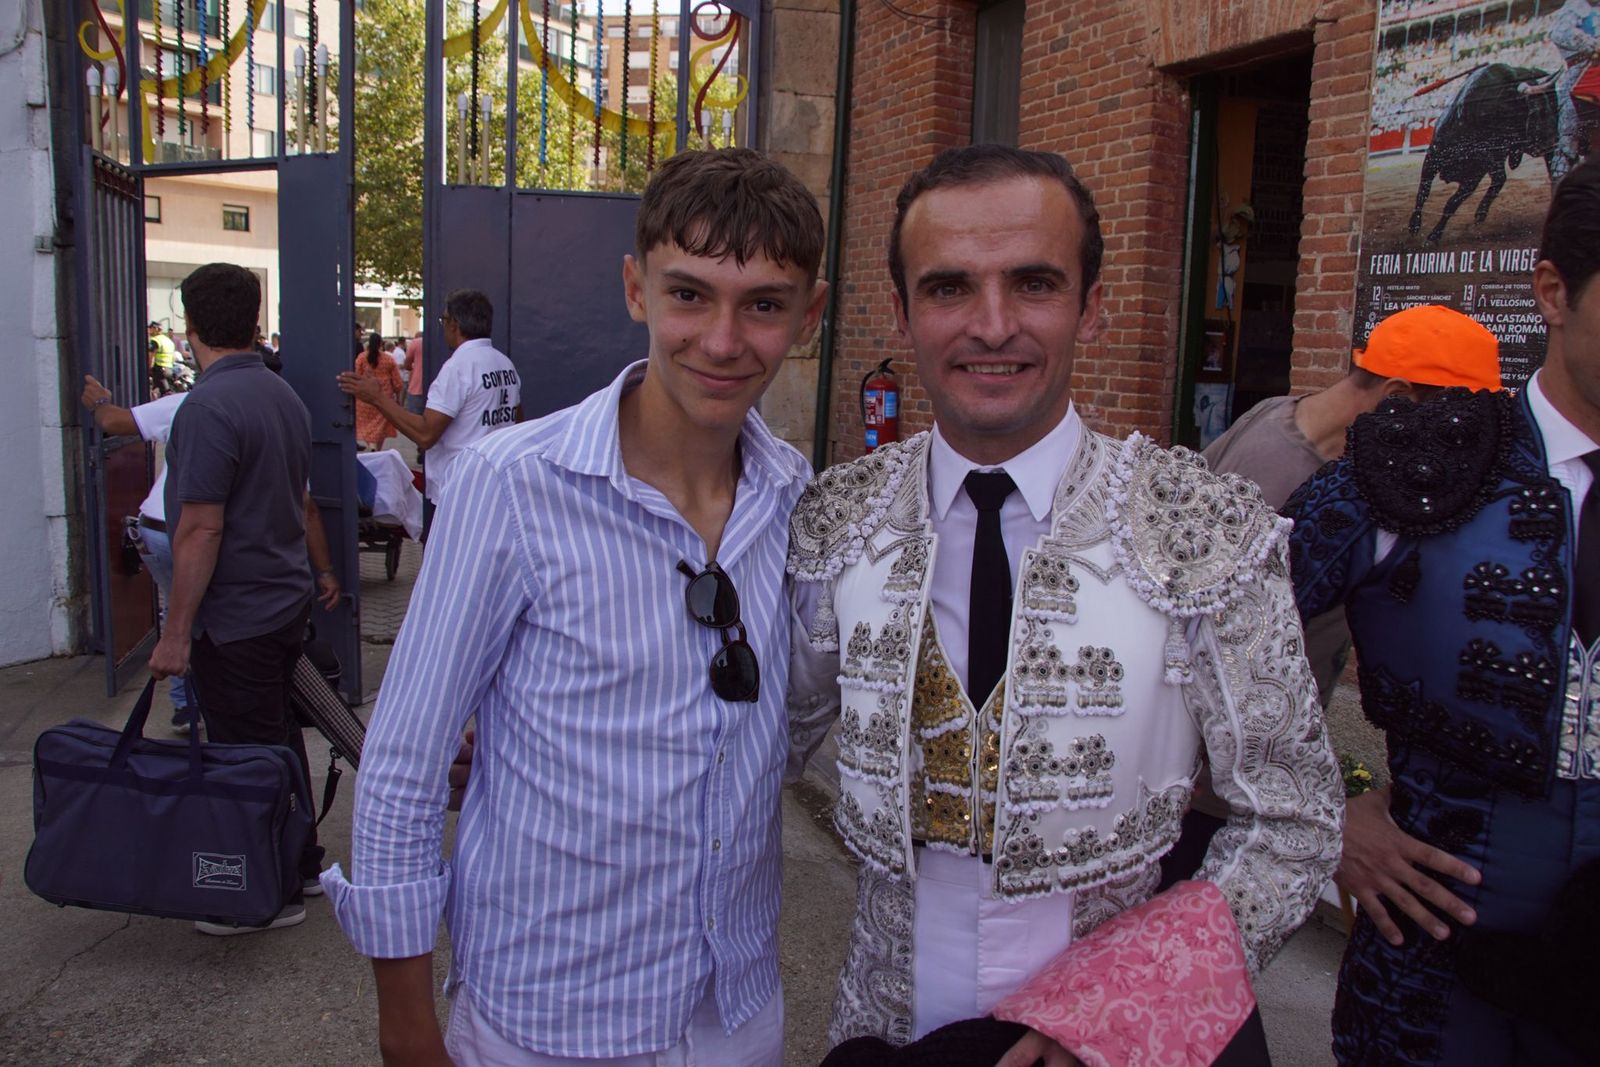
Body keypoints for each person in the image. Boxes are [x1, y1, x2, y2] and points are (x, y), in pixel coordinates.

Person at [784, 144, 1343, 1065]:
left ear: (1092, 304)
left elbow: (1292, 818)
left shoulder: (1196, 524)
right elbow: (749, 741)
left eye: (1034, 283)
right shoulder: (838, 517)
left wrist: (1121, 1008)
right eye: (950, 287)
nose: (992, 325)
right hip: (890, 1024)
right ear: (902, 311)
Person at [322, 148, 829, 1066]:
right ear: (636, 289)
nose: (722, 339)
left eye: (763, 303)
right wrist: (407, 1031)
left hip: (737, 1009)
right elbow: (401, 767)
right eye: (690, 294)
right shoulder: (512, 487)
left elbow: (787, 728)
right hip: (550, 1019)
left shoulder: (797, 498)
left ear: (809, 317)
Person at [1287, 158, 1600, 1067]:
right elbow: (1194, 658)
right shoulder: (1414, 467)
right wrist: (1323, 813)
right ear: (1552, 291)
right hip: (1433, 1003)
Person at [148, 262, 341, 936]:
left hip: (237, 616)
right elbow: (298, 499)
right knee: (278, 739)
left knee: (243, 751)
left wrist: (175, 633)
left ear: (191, 326)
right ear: (254, 320)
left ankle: (267, 888)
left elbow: (201, 523)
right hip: (280, 601)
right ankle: (303, 861)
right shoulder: (280, 395)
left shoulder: (207, 405)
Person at [79, 382, 196, 732]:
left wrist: (100, 402)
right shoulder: (265, 410)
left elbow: (114, 422)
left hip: (157, 527)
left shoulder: (186, 402)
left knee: (178, 607)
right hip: (192, 528)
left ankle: (186, 702)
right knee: (200, 612)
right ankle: (195, 698)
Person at [338, 291, 520, 502]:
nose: (442, 326)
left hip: (460, 489)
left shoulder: (458, 368)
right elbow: (516, 420)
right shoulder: (505, 364)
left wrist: (377, 397)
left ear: (454, 324)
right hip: (494, 483)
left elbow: (425, 434)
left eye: (444, 320)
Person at [1548, 0, 1600, 182]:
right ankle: (1561, 184)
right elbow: (1560, 33)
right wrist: (1593, 45)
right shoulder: (1576, 6)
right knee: (1569, 135)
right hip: (1580, 72)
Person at [352, 332, 405, 450]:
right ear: (381, 344)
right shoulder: (388, 359)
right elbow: (397, 383)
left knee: (367, 427)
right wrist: (398, 398)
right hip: (383, 399)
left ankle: (372, 446)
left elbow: (356, 376)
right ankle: (376, 449)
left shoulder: (361, 358)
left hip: (364, 400)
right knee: (380, 429)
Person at [148, 320, 178, 397]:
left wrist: (149, 369)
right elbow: (173, 356)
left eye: (150, 328)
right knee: (167, 392)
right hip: (169, 369)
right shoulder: (168, 341)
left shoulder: (155, 340)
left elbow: (151, 356)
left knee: (159, 393)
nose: (149, 331)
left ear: (155, 329)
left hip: (159, 370)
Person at [403, 330, 426, 415]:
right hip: (433, 389)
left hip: (416, 387)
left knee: (414, 419)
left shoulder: (415, 342)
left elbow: (407, 364)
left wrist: (414, 367)